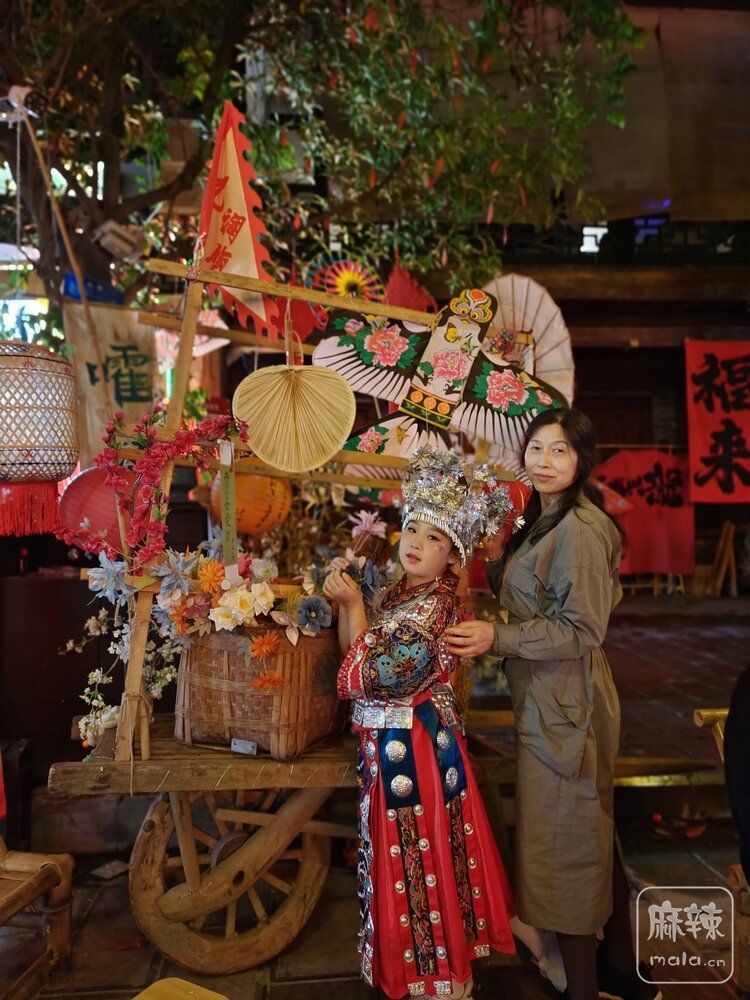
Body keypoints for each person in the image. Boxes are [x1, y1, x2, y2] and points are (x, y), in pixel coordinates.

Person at [324, 449, 562, 1000]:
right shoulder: (398, 594)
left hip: (415, 753)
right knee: (419, 858)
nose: (415, 542)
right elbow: (354, 657)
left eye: (434, 537)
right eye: (412, 528)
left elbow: (367, 676)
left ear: (453, 554)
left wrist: (355, 608)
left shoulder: (436, 609)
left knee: (421, 858)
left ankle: (445, 979)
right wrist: (354, 604)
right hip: (392, 745)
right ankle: (459, 964)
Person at [444, 409, 661, 1000]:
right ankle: (624, 972)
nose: (543, 461)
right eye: (536, 448)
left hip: (569, 700)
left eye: (559, 450)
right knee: (586, 828)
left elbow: (580, 629)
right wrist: (496, 555)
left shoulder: (580, 530)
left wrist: (496, 637)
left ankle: (582, 987)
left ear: (582, 459)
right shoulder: (544, 518)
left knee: (566, 841)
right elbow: (532, 596)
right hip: (550, 695)